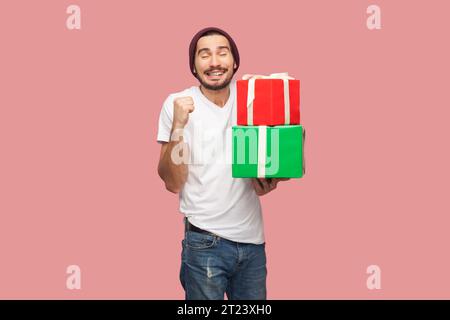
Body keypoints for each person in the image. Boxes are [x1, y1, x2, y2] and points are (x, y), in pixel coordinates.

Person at [157, 27, 288, 300]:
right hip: (204, 243)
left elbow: (284, 149)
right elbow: (171, 182)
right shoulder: (177, 104)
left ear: (235, 62)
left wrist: (271, 179)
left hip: (253, 243)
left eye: (222, 53)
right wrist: (179, 126)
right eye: (204, 55)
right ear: (194, 66)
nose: (214, 62)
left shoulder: (251, 100)